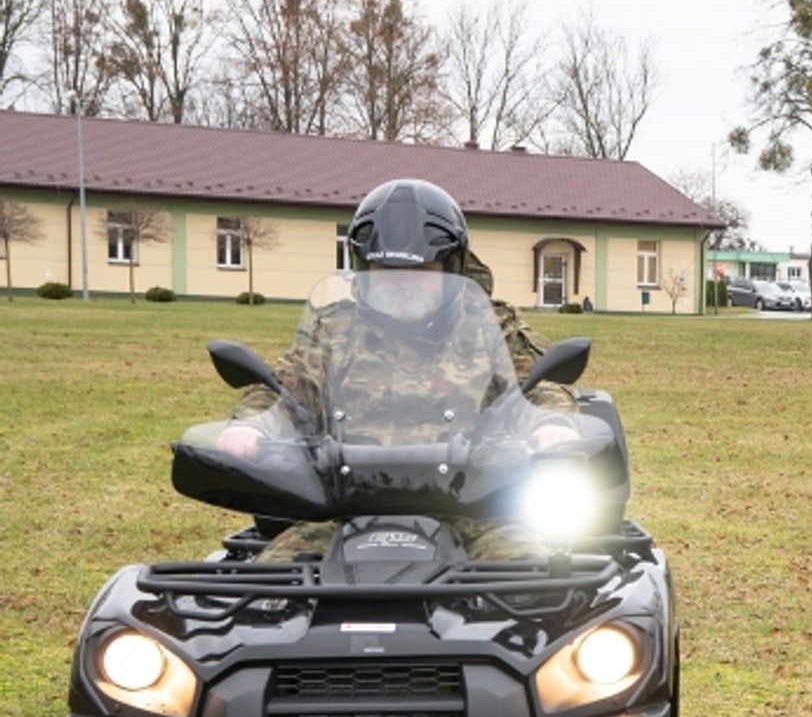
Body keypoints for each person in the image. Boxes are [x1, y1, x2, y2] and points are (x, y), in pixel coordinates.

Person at [215, 179, 579, 561]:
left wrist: (550, 424)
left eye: (421, 269)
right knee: (273, 586)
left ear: (451, 267)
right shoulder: (334, 328)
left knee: (532, 583)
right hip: (345, 507)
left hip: (474, 507)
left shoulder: (490, 324)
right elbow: (287, 391)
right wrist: (252, 425)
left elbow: (539, 385)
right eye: (384, 269)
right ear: (362, 267)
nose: (402, 284)